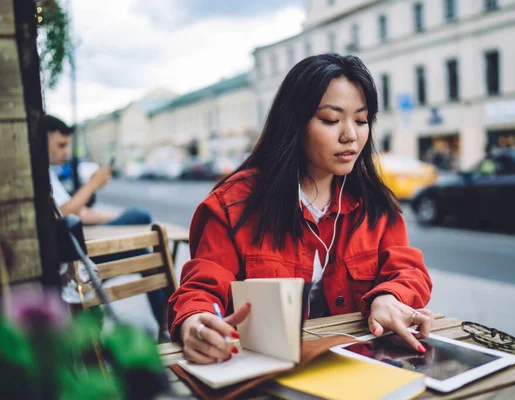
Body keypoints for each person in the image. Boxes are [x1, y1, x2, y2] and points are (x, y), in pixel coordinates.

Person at [168, 54, 433, 364]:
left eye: (361, 120)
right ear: (294, 122)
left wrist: (389, 298)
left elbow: (408, 269)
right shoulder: (232, 205)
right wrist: (197, 322)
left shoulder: (375, 204)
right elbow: (203, 288)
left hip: (352, 366)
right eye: (331, 120)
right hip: (261, 370)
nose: (350, 135)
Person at [45, 115, 151, 226]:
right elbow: (62, 215)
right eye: (61, 145)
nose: (66, 152)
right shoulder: (40, 176)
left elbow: (80, 213)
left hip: (80, 232)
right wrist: (92, 184)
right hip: (71, 239)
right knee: (140, 215)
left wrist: (117, 219)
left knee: (136, 216)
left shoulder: (49, 172)